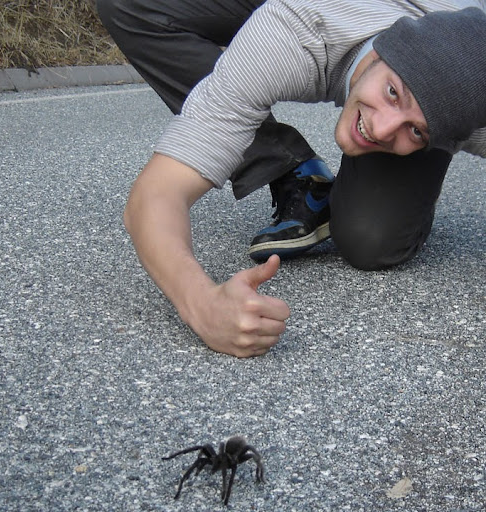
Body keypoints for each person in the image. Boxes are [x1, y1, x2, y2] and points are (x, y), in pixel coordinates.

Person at [97, 0, 486, 357]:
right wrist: (201, 305)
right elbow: (156, 193)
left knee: (372, 239)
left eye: (415, 130)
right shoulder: (290, 34)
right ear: (383, 51)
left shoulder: (472, 104)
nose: (382, 130)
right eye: (392, 93)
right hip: (327, 19)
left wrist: (414, 117)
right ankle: (287, 167)